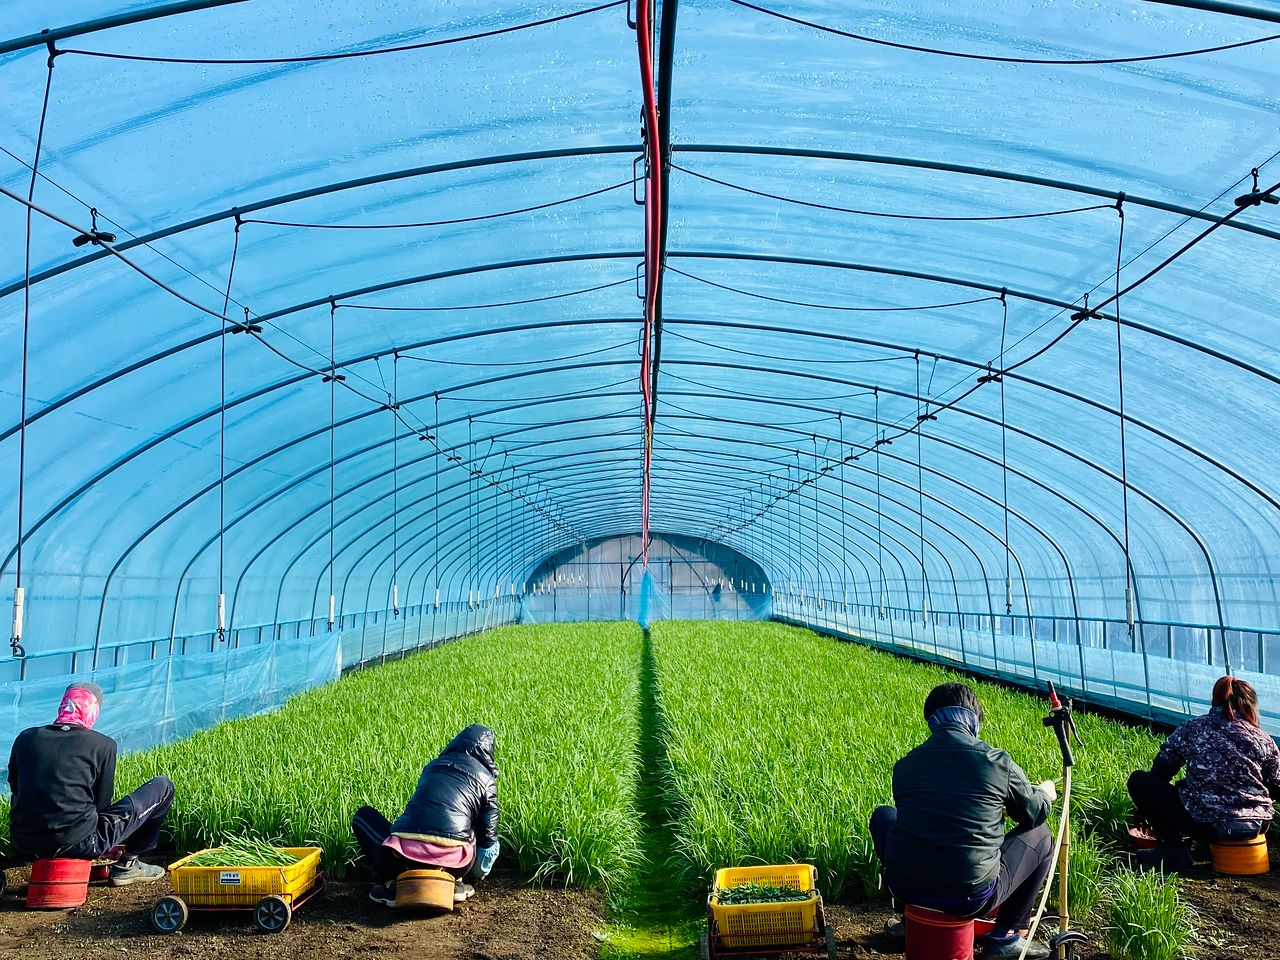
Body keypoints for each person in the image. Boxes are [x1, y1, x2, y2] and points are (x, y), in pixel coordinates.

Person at [869, 683, 1056, 960]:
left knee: (883, 815)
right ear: (973, 719)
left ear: (932, 720)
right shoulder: (996, 761)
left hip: (905, 886)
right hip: (970, 897)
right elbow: (1033, 813)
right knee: (1042, 835)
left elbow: (928, 817)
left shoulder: (906, 765)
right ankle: (1006, 936)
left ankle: (910, 921)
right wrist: (1045, 793)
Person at [7, 681, 174, 885]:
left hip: (24, 843)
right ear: (93, 710)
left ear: (63, 705)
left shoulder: (25, 738)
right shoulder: (102, 745)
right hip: (80, 844)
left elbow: (16, 789)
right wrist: (107, 840)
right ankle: (128, 864)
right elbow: (101, 805)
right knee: (163, 787)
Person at [1128, 675, 1280, 872]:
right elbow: (1277, 786)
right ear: (1250, 704)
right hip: (1256, 824)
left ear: (1214, 699)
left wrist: (1147, 807)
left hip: (1206, 825)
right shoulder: (1263, 739)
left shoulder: (1193, 729)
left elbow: (1161, 772)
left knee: (1140, 781)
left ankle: (1173, 850)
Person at [352, 724, 500, 906]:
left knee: (362, 816)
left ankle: (394, 884)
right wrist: (478, 874)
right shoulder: (487, 780)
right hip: (456, 865)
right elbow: (488, 842)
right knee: (477, 822)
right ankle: (453, 883)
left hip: (403, 859)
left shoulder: (432, 767)